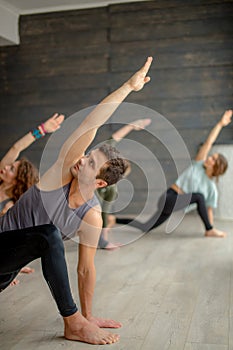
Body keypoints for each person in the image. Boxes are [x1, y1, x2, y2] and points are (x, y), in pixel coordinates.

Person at [0, 57, 153, 345]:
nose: (82, 159)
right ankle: (73, 324)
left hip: (3, 273)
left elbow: (85, 268)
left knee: (48, 236)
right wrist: (128, 88)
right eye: (87, 154)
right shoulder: (60, 174)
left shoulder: (90, 216)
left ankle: (80, 321)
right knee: (48, 235)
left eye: (90, 162)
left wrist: (90, 313)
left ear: (99, 183)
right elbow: (90, 124)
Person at [115, 109, 232, 238]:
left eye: (213, 159)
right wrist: (220, 124)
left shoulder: (211, 189)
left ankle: (113, 220)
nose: (209, 158)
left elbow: (208, 209)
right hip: (169, 197)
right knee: (198, 196)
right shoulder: (198, 165)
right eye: (212, 156)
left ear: (217, 168)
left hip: (172, 204)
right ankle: (208, 230)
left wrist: (212, 226)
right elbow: (209, 142)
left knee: (145, 227)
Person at [0, 113, 64, 282]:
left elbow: (12, 239)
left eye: (11, 169)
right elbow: (16, 148)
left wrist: (12, 267)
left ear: (17, 180)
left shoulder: (11, 205)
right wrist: (42, 130)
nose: (6, 168)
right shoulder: (0, 175)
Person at [97, 118, 151, 249]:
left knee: (102, 216)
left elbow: (104, 212)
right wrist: (132, 125)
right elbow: (114, 138)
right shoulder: (103, 157)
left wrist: (104, 239)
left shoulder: (109, 189)